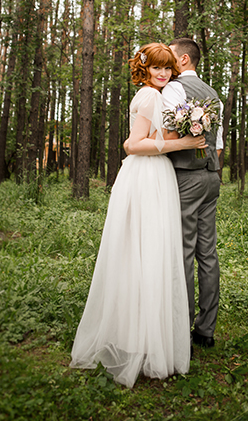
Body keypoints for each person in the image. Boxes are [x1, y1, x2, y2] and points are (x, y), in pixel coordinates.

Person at [70, 42, 207, 388]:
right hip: (144, 175)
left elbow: (160, 135)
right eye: (156, 68)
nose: (162, 74)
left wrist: (189, 128)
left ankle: (149, 341)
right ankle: (134, 341)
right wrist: (183, 144)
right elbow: (133, 144)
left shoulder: (163, 97)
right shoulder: (147, 96)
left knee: (155, 254)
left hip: (159, 176)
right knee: (139, 253)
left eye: (167, 68)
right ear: (144, 69)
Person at [162, 37, 223, 349]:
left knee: (184, 251)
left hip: (186, 176)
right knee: (207, 253)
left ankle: (181, 327)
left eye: (171, 56)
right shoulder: (213, 94)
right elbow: (220, 144)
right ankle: (206, 330)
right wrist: (210, 169)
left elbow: (169, 134)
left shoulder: (173, 89)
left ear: (184, 60)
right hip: (211, 175)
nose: (167, 63)